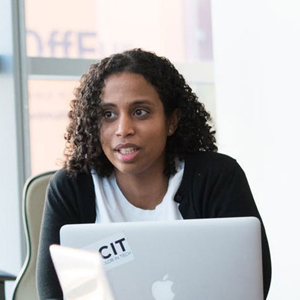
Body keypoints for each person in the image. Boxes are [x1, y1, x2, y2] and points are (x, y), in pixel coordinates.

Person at [37, 48, 271, 300]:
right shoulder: (71, 187)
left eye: (140, 112)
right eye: (108, 114)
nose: (123, 129)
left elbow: (251, 282)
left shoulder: (218, 177)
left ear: (171, 121)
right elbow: (53, 293)